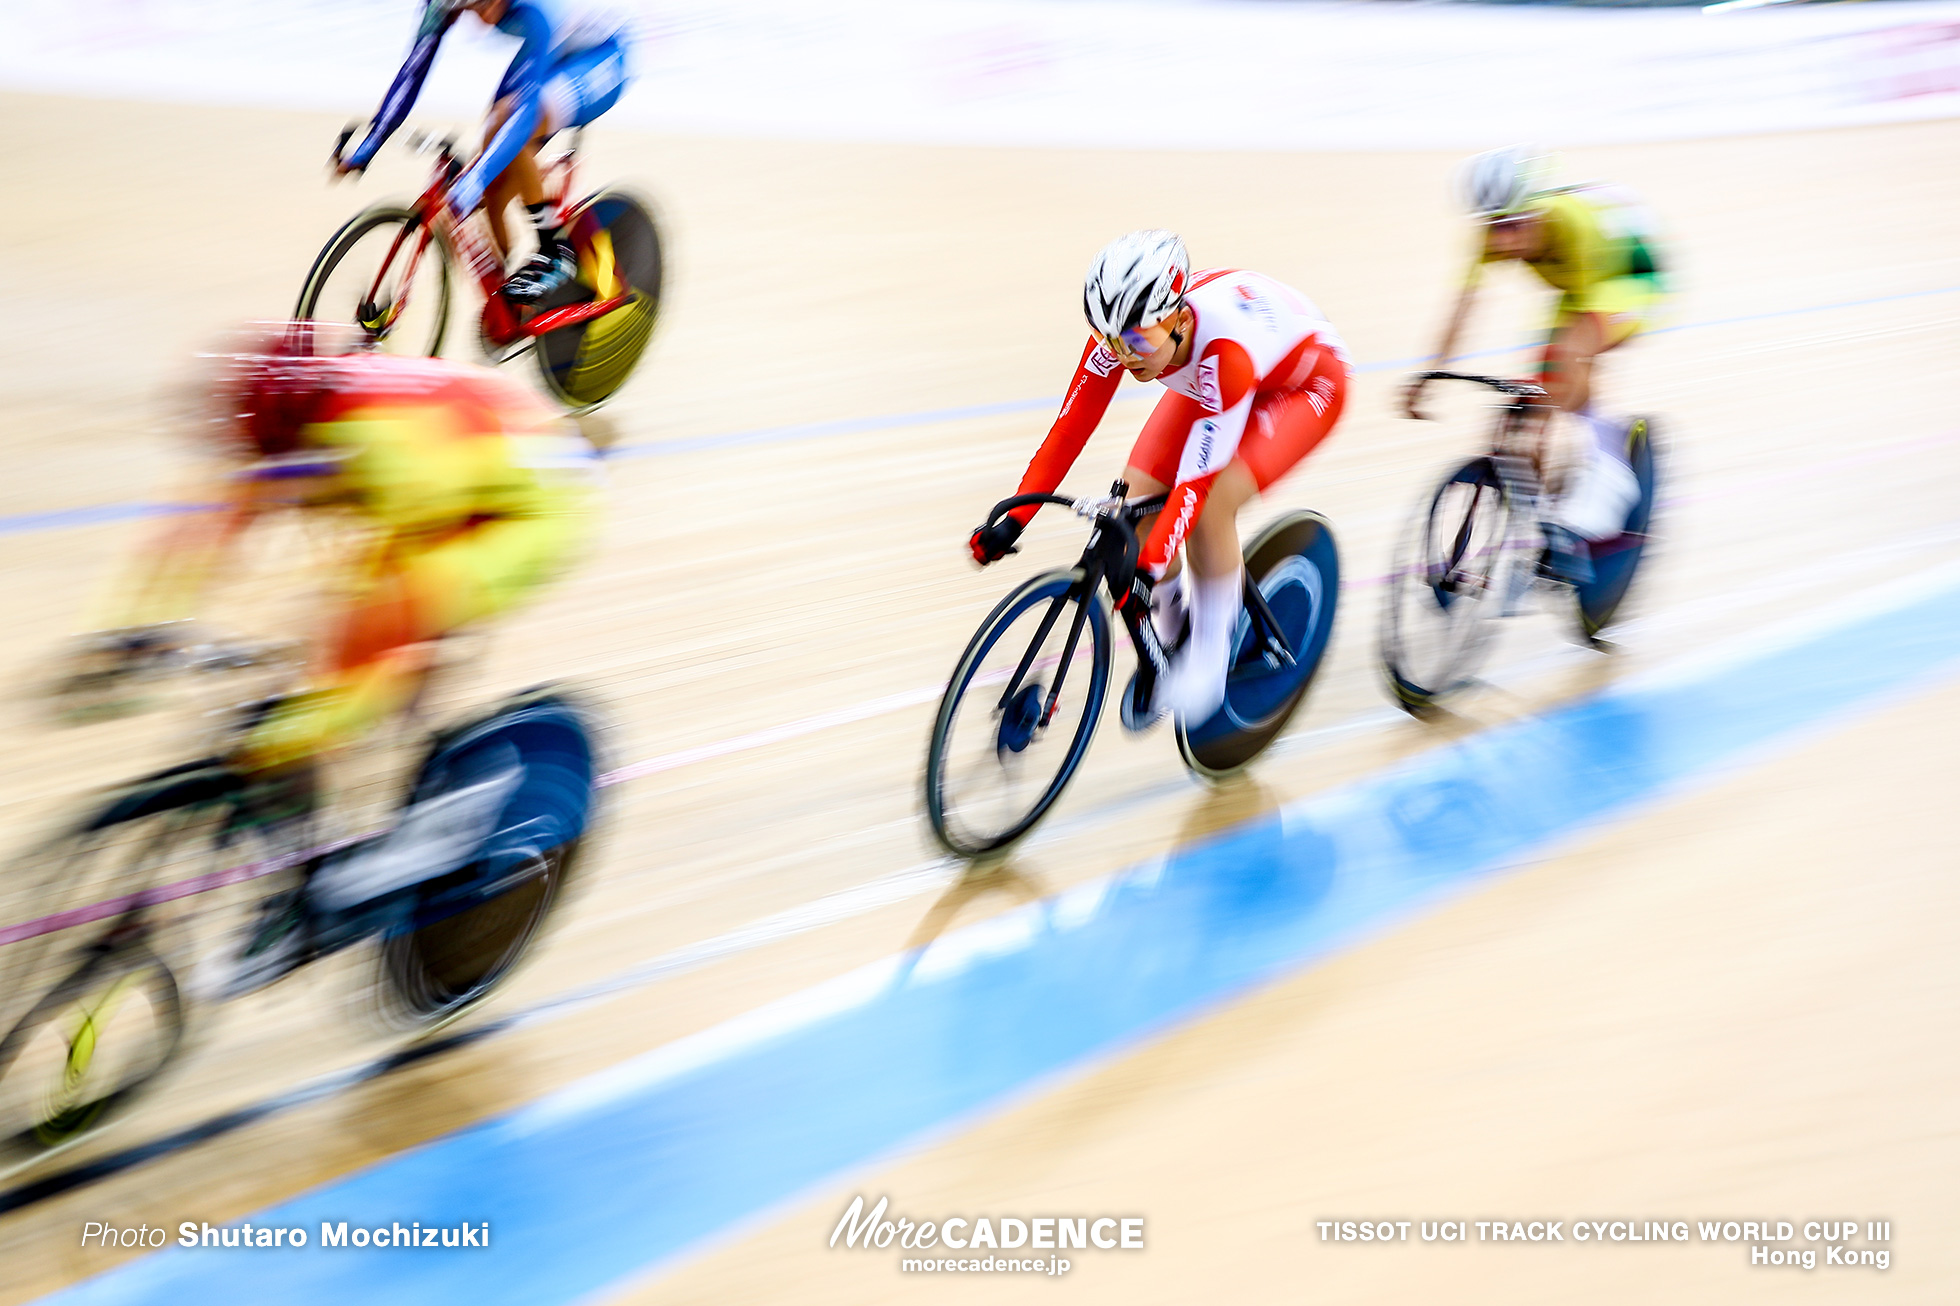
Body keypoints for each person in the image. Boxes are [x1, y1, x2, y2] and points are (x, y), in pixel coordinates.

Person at [97, 324, 597, 991]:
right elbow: (218, 519)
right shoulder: (303, 422)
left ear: (311, 427)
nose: (265, 469)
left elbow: (385, 611)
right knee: (325, 669)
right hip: (466, 462)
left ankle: (376, 866)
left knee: (366, 646)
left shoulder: (388, 457)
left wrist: (300, 725)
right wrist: (133, 632)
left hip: (529, 514)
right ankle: (333, 809)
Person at [969, 230, 1350, 725]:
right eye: (1109, 340)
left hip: (1304, 388)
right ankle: (1167, 647)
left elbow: (1198, 481)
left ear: (1177, 319)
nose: (1121, 355)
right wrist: (1015, 518)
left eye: (1133, 342)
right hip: (1208, 383)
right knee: (1133, 507)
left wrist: (1151, 564)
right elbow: (1068, 429)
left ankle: (1209, 661)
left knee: (1209, 508)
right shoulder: (1125, 330)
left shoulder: (1223, 350)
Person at [1404, 145, 1666, 584]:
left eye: (1515, 224)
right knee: (1531, 403)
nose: (1504, 238)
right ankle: (1545, 520)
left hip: (1632, 278)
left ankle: (1610, 465)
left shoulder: (1574, 227)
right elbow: (1462, 309)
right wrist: (1429, 375)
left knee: (1563, 366)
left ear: (1538, 209)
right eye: (1495, 226)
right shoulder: (1490, 235)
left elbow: (1583, 333)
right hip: (1580, 291)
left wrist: (1553, 388)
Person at [336, 0, 632, 305]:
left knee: (510, 123)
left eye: (487, 4)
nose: (483, 17)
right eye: (470, 8)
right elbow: (413, 73)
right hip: (555, 51)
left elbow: (523, 114)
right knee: (493, 160)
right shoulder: (440, 4)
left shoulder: (534, 10)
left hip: (601, 58)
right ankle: (507, 304)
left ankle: (553, 248)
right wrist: (370, 143)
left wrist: (472, 181)